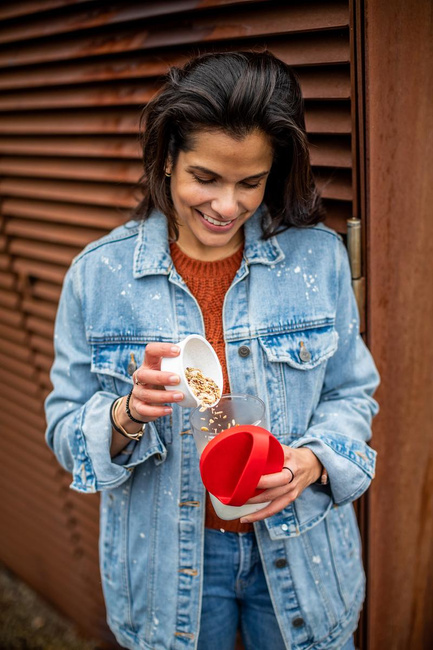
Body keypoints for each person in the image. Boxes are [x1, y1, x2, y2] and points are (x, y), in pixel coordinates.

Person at [45, 51, 380, 650]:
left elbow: (350, 393)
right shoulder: (98, 277)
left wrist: (313, 461)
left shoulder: (316, 259)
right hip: (169, 569)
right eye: (206, 177)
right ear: (167, 158)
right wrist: (125, 416)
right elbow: (66, 431)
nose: (228, 206)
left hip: (300, 554)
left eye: (250, 182)